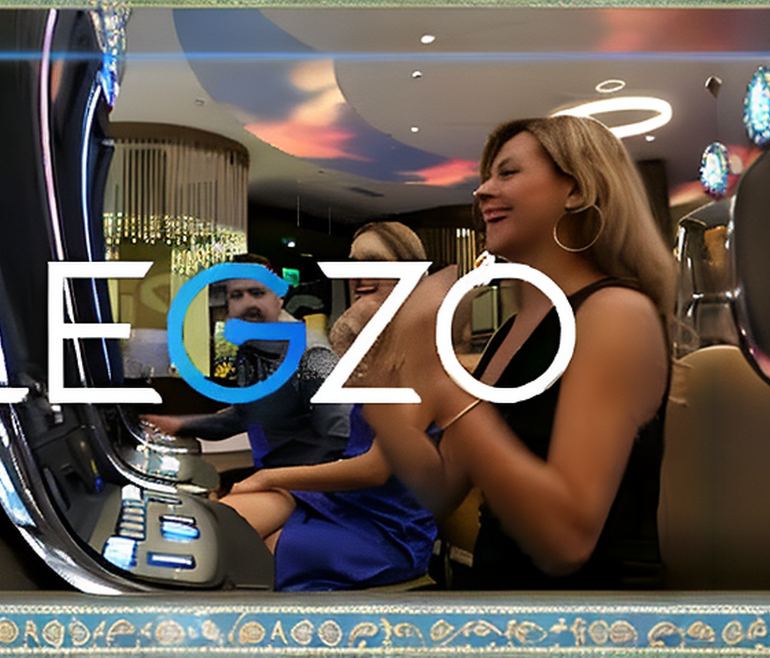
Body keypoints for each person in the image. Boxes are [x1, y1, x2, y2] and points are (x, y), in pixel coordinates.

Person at [364, 116, 676, 589]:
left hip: (591, 611)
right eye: (487, 177)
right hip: (500, 594)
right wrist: (383, 391)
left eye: (507, 173)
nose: (482, 191)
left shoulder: (616, 312)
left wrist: (447, 392)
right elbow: (441, 489)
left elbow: (567, 540)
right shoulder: (514, 328)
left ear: (576, 190)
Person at [221, 222, 438, 591]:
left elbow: (375, 470)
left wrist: (269, 476)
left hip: (385, 527)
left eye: (374, 263)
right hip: (340, 502)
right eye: (352, 263)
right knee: (220, 525)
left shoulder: (420, 354)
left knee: (248, 557)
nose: (359, 275)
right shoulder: (375, 350)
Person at [142, 254, 351, 469]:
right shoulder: (252, 352)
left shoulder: (313, 353)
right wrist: (178, 425)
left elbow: (339, 437)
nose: (247, 303)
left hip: (302, 481)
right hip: (273, 472)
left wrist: (277, 480)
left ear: (278, 298)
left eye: (257, 293)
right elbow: (246, 416)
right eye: (237, 295)